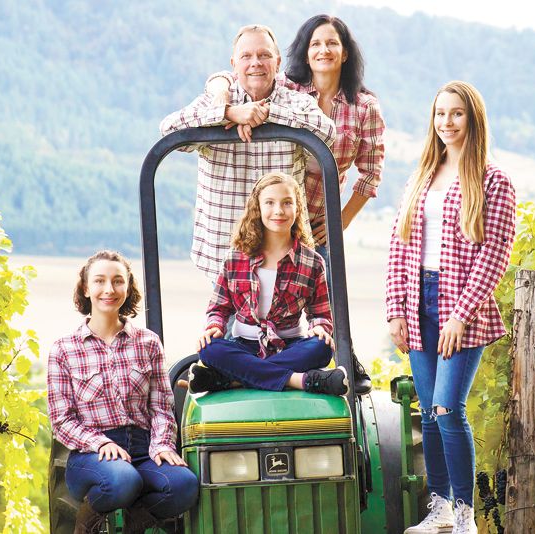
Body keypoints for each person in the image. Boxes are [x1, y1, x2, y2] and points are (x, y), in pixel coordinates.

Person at [206, 14, 384, 392]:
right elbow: (233, 76)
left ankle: (331, 357)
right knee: (257, 302)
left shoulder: (364, 107)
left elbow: (369, 177)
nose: (324, 50)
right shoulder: (290, 90)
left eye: (332, 43)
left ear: (345, 52)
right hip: (278, 213)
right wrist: (224, 99)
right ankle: (296, 379)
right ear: (304, 51)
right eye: (316, 44)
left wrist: (338, 223)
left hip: (318, 219)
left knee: (326, 296)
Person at [386, 81, 516, 534]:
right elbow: (399, 245)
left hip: (462, 304)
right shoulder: (422, 173)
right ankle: (438, 509)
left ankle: (465, 515)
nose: (447, 122)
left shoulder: (493, 179)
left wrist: (462, 313)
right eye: (441, 114)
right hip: (417, 297)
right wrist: (395, 310)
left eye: (456, 114)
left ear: (473, 118)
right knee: (427, 409)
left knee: (446, 409)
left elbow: (496, 253)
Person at [159, 24, 336, 283]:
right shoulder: (215, 100)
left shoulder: (297, 102)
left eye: (264, 55)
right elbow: (169, 129)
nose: (256, 63)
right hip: (225, 256)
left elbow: (327, 133)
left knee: (289, 326)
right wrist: (228, 114)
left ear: (277, 62)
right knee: (227, 325)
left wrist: (265, 114)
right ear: (233, 64)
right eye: (246, 56)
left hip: (287, 260)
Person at [47, 251, 198, 533]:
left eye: (118, 281)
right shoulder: (64, 349)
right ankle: (85, 526)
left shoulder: (148, 343)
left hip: (143, 450)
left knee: (184, 485)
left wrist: (162, 445)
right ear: (85, 288)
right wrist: (101, 443)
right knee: (123, 480)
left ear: (127, 288)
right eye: (100, 281)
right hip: (91, 455)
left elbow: (161, 409)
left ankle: (134, 525)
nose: (109, 289)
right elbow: (62, 421)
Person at [190, 172, 348, 396]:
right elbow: (219, 308)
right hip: (243, 345)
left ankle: (233, 379)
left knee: (321, 349)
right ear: (258, 208)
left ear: (297, 208)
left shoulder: (313, 262)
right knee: (209, 349)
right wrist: (214, 326)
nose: (279, 211)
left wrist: (320, 327)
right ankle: (299, 380)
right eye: (270, 203)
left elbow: (320, 313)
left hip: (291, 345)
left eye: (287, 203)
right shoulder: (235, 258)